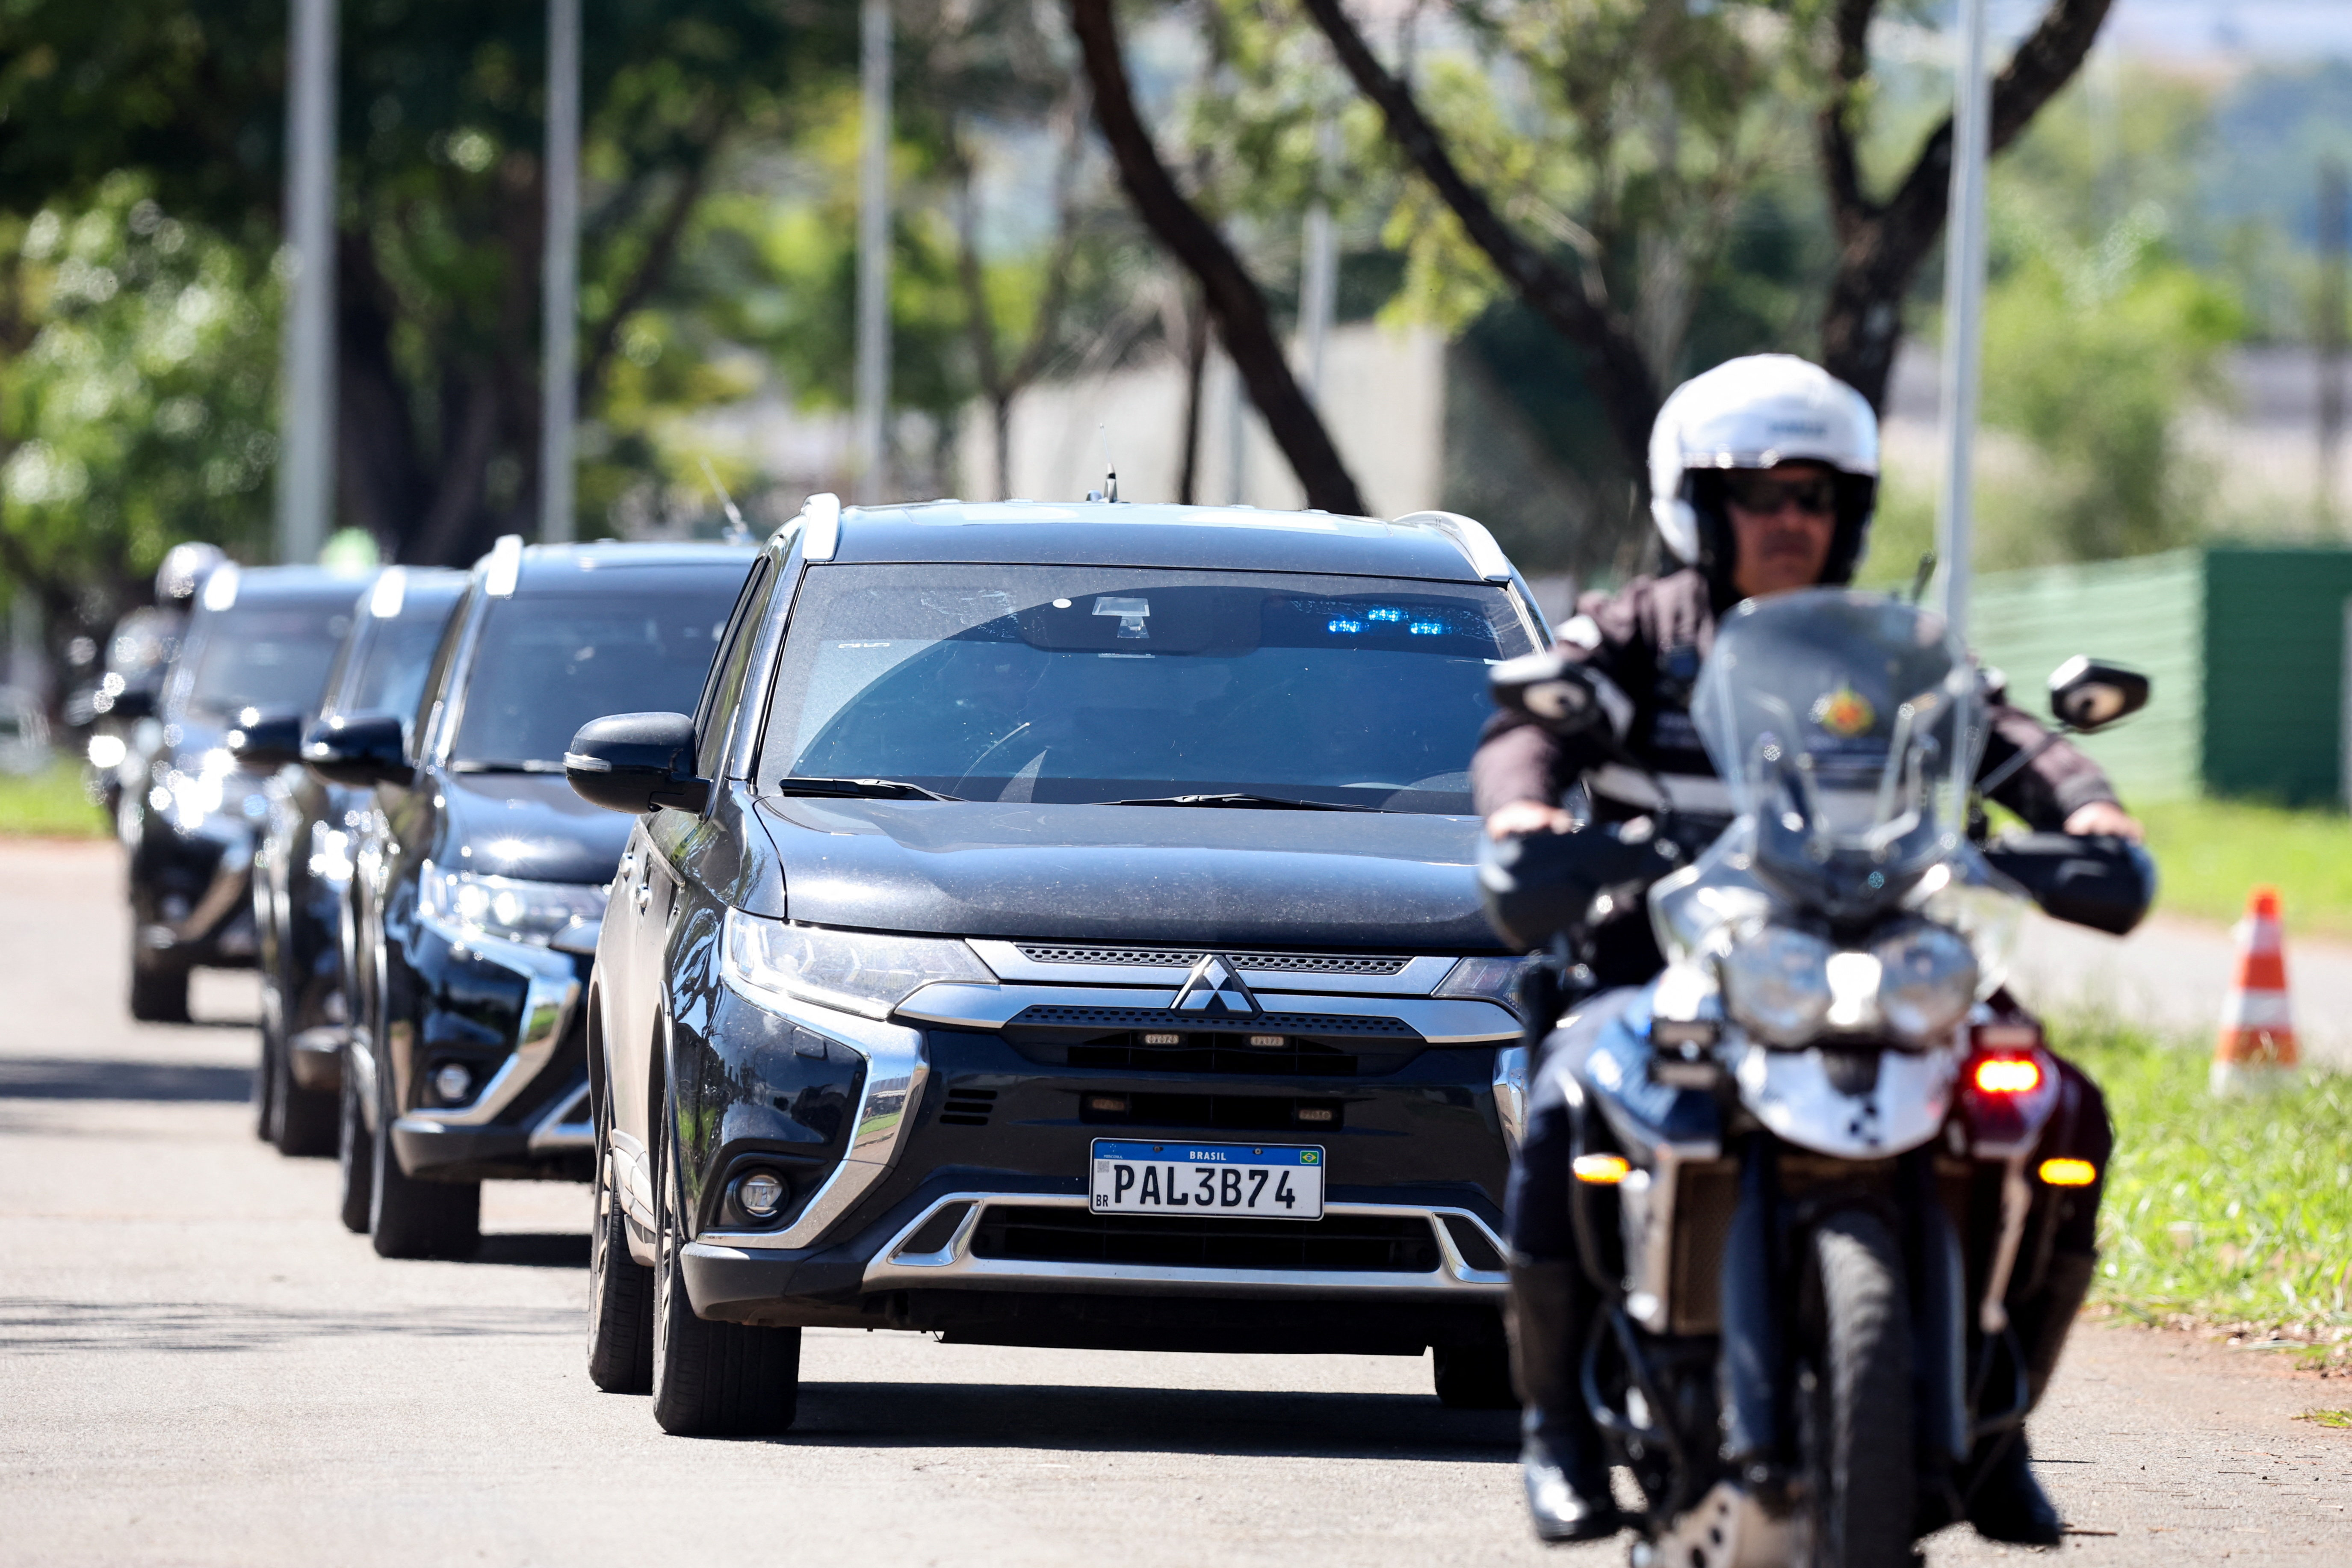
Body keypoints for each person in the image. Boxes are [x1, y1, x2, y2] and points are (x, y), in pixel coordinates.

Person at [1474, 354, 2133, 1547]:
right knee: (1569, 1094)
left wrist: (2085, 813)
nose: (1790, 519)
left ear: (1849, 514)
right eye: (1762, 494)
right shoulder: (1637, 636)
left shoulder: (1891, 653)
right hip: (1672, 961)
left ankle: (1998, 1425)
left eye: (1814, 497)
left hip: (1883, 958)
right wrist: (1526, 814)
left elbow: (2003, 735)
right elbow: (1530, 724)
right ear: (1700, 507)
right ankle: (1555, 1431)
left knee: (2055, 1108)